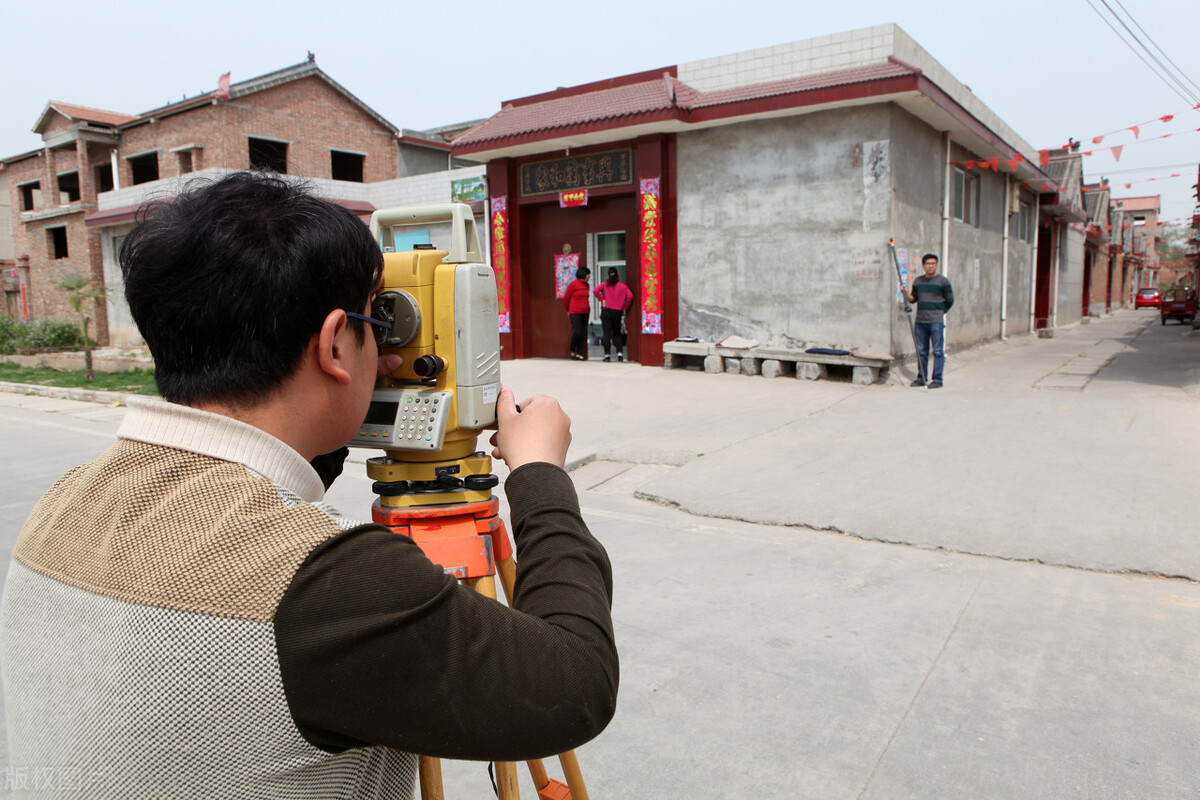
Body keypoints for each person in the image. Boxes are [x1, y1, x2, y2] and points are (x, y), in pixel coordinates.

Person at [0, 172, 617, 799]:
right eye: (373, 319)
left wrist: (332, 411)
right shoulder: (327, 584)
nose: (386, 340)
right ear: (332, 344)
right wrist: (540, 474)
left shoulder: (63, 502)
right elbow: (575, 684)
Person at [901, 252, 954, 388]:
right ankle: (922, 378)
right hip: (920, 321)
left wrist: (941, 312)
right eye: (928, 264)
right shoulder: (918, 281)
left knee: (937, 351)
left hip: (936, 321)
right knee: (921, 351)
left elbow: (950, 300)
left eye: (933, 263)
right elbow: (913, 299)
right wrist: (905, 293)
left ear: (936, 265)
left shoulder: (943, 281)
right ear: (923, 266)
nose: (931, 266)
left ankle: (937, 380)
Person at [593, 267, 634, 362]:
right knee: (617, 333)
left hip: (606, 311)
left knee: (606, 334)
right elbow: (630, 296)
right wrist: (625, 305)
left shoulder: (605, 284)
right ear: (617, 274)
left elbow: (595, 290)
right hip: (617, 311)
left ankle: (607, 356)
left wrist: (601, 299)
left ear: (608, 274)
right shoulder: (623, 286)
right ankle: (620, 355)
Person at [562, 265, 591, 360]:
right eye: (588, 275)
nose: (589, 276)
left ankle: (579, 352)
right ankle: (572, 350)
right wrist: (568, 310)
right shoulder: (573, 284)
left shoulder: (587, 285)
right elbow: (566, 298)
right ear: (583, 275)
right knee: (577, 332)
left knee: (583, 333)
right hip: (575, 312)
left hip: (585, 312)